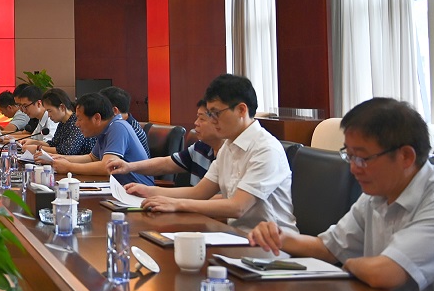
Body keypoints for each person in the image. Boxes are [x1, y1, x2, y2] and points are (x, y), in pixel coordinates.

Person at [249, 98, 434, 291]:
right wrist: (279, 237)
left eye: (362, 158)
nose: (353, 168)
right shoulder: (377, 192)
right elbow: (328, 248)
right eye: (349, 156)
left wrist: (350, 264)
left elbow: (384, 274)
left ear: (405, 156)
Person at [126, 74, 296, 232]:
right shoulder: (228, 147)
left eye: (216, 113)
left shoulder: (266, 149)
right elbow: (198, 193)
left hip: (272, 245)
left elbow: (238, 207)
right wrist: (149, 191)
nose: (212, 120)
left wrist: (177, 204)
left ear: (241, 110)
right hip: (236, 236)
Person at [106, 100, 221, 185]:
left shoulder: (228, 154)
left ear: (218, 121)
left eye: (202, 119)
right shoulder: (200, 147)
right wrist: (129, 166)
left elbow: (219, 199)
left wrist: (159, 194)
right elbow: (167, 164)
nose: (196, 123)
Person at [50, 92, 152, 184]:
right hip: (121, 187)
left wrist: (69, 167)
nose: (77, 124)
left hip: (138, 190)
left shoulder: (118, 127)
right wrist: (58, 158)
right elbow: (92, 158)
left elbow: (107, 167)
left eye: (79, 119)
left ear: (97, 118)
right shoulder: (105, 129)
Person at [23, 88, 94, 159]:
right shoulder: (62, 123)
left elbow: (67, 151)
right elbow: (53, 144)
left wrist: (38, 148)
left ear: (62, 107)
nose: (49, 115)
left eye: (50, 111)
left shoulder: (76, 122)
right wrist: (34, 142)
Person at [100, 86, 150, 156]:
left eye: (101, 108)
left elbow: (110, 161)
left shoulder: (130, 130)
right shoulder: (113, 126)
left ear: (114, 110)